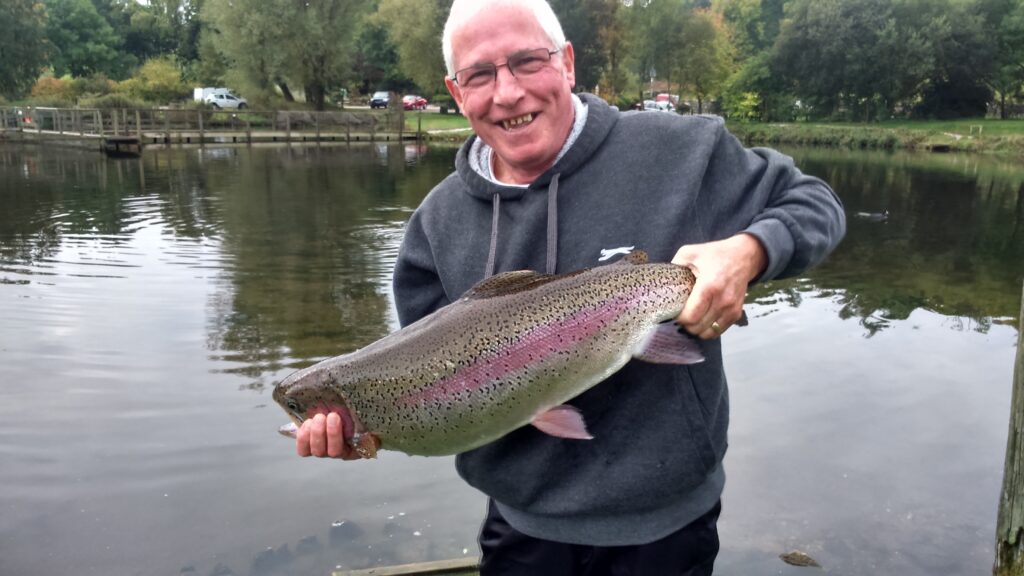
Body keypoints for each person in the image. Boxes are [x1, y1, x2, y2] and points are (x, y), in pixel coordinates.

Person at [294, 0, 846, 573]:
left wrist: (749, 252)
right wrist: (373, 432)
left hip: (667, 522)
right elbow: (434, 388)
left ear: (568, 64)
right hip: (521, 524)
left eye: (528, 61)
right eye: (480, 74)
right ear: (456, 94)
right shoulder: (434, 229)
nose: (507, 93)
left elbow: (814, 204)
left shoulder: (680, 151)